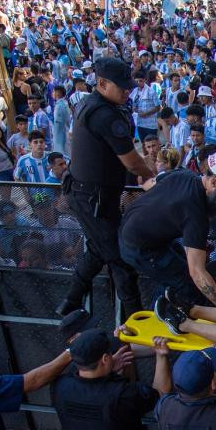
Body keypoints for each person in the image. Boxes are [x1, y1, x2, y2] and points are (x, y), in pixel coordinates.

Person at [61, 57, 154, 316]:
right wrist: (152, 177)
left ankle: (71, 300)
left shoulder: (94, 104)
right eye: (122, 87)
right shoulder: (102, 113)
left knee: (97, 249)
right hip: (91, 197)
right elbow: (132, 162)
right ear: (101, 84)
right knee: (118, 257)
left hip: (97, 194)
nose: (128, 91)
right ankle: (136, 316)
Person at [118, 150, 216, 309]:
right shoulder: (196, 212)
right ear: (214, 182)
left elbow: (150, 184)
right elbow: (197, 272)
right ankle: (159, 318)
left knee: (180, 270)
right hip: (139, 246)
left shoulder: (183, 174)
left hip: (136, 232)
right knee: (186, 286)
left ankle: (163, 308)